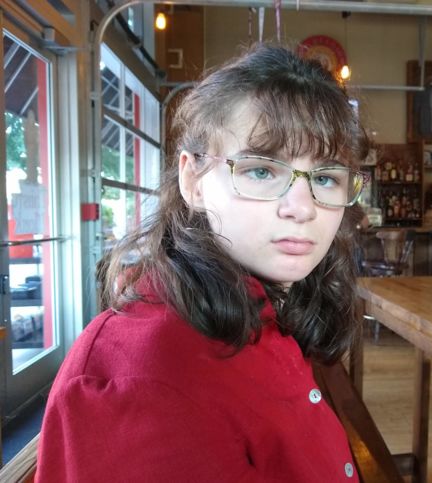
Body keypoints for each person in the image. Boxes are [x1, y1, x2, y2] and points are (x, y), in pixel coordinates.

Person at [36, 44, 370, 482]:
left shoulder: (265, 306)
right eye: (261, 170)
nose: (303, 208)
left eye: (325, 178)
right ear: (193, 180)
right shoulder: (142, 380)